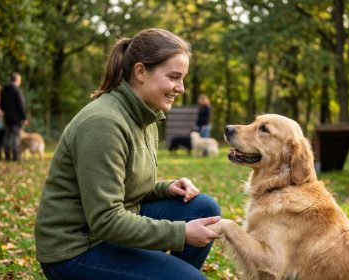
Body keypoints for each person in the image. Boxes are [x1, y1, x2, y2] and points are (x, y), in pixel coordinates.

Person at [35, 28, 221, 280]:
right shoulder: (103, 123)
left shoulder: (146, 117)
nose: (181, 88)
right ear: (141, 71)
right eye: (174, 77)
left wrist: (165, 189)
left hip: (110, 232)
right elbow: (106, 218)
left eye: (183, 78)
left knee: (203, 209)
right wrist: (181, 233)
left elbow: (124, 187)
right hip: (76, 252)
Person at [0, 72, 27, 161]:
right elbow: (20, 105)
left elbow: (1, 104)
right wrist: (24, 117)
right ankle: (15, 156)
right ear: (17, 80)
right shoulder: (17, 90)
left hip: (7, 117)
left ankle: (7, 155)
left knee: (7, 136)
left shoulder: (4, 90)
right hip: (16, 118)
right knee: (16, 136)